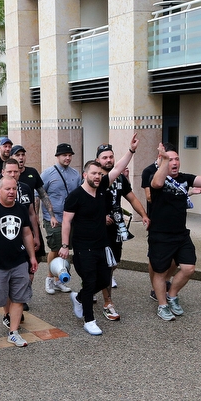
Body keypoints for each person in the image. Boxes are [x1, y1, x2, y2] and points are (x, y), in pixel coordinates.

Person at [59, 137, 138, 336]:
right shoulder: (75, 196)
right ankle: (89, 320)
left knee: (104, 280)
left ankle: (79, 298)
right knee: (90, 280)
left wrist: (130, 150)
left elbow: (118, 168)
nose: (97, 176)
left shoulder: (102, 188)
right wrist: (65, 245)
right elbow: (67, 222)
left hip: (102, 245)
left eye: (100, 174)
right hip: (83, 247)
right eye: (93, 173)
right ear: (85, 174)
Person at [148, 145, 201, 320]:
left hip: (181, 234)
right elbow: (157, 183)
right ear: (162, 161)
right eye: (170, 159)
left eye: (177, 159)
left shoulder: (185, 178)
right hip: (160, 234)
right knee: (160, 272)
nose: (175, 162)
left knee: (189, 268)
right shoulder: (154, 176)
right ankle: (162, 306)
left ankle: (172, 295)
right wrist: (164, 161)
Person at [0, 176, 37, 347]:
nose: (12, 192)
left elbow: (26, 234)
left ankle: (14, 332)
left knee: (19, 298)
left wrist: (32, 257)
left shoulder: (20, 209)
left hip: (18, 261)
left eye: (14, 189)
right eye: (8, 189)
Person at [95, 143, 149, 321]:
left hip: (117, 227)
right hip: (99, 229)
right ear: (98, 160)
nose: (109, 160)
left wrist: (144, 215)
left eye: (111, 157)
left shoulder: (120, 179)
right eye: (105, 157)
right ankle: (107, 303)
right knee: (106, 265)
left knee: (114, 263)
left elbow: (132, 198)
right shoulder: (94, 178)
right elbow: (86, 202)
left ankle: (93, 285)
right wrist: (100, 216)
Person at [39, 143, 81, 295]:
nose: (68, 158)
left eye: (70, 155)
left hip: (70, 218)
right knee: (55, 248)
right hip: (54, 218)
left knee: (65, 250)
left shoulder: (76, 174)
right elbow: (39, 195)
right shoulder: (47, 174)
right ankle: (49, 279)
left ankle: (59, 280)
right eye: (64, 155)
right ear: (58, 156)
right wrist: (41, 217)